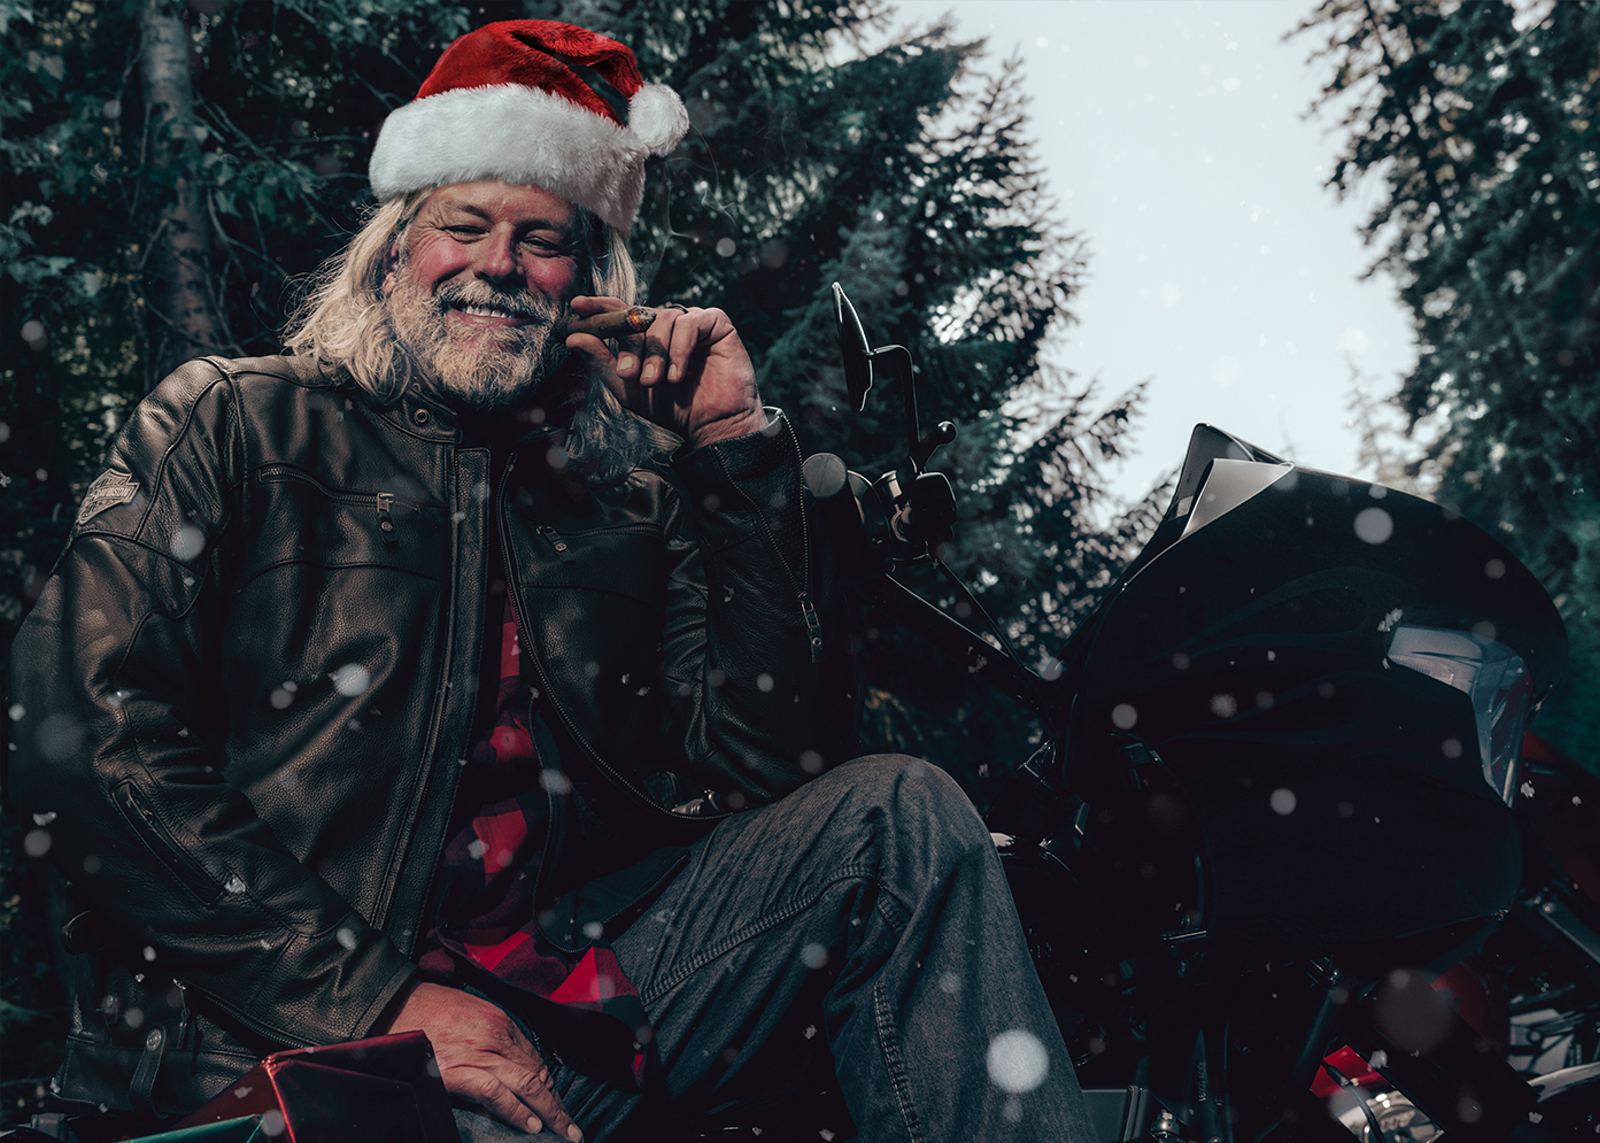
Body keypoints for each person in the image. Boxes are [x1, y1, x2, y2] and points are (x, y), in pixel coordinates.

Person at [9, 20, 1095, 1143]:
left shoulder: (632, 501)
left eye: (540, 240)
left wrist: (735, 450)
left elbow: (770, 771)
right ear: (393, 250)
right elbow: (77, 736)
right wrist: (379, 1001)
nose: (498, 265)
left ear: (589, 284)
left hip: (571, 1015)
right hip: (288, 1048)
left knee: (894, 818)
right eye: (463, 225)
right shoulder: (237, 420)